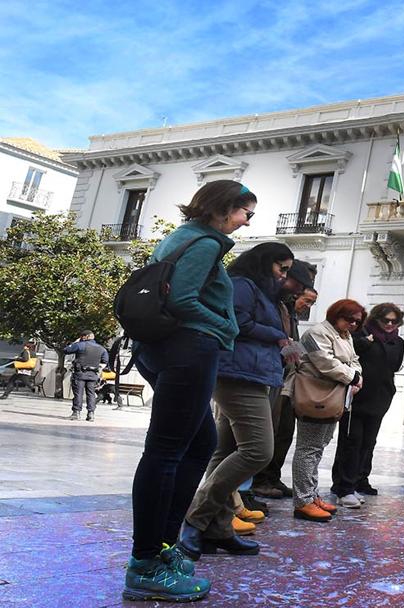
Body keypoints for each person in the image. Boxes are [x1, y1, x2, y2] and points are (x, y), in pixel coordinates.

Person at [124, 179, 253, 602]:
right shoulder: (205, 242)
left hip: (163, 348)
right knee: (165, 452)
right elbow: (182, 299)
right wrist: (225, 326)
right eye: (244, 211)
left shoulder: (182, 237)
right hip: (188, 348)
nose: (247, 219)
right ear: (223, 208)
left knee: (201, 444)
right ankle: (145, 562)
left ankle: (163, 547)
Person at [177, 242, 296, 562]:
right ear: (263, 262)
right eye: (280, 268)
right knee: (259, 450)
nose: (283, 276)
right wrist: (278, 336)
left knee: (224, 452)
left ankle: (218, 528)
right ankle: (195, 516)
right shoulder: (243, 286)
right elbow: (237, 323)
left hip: (250, 373)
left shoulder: (258, 289)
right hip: (239, 375)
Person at [287, 299, 364, 519]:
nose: (353, 324)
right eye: (349, 319)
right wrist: (353, 376)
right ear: (336, 314)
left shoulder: (344, 335)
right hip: (314, 395)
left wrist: (356, 376)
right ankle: (302, 501)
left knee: (318, 447)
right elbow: (325, 362)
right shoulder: (316, 333)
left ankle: (311, 496)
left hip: (332, 397)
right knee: (308, 449)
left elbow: (354, 360)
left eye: (357, 321)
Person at [252, 262, 317, 500]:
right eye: (305, 297)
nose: (306, 303)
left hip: (289, 380)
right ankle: (257, 482)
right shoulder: (277, 307)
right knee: (267, 431)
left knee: (285, 432)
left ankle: (271, 476)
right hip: (272, 378)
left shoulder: (290, 314)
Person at [331, 302, 404, 500]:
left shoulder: (398, 342)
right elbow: (348, 356)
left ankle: (361, 478)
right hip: (357, 396)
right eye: (386, 320)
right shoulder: (359, 334)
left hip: (380, 398)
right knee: (351, 440)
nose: (390, 324)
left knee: (369, 442)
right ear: (376, 319)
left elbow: (395, 366)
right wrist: (365, 344)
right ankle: (343, 483)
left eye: (394, 321)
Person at [64, 331, 109, 421]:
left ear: (85, 337)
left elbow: (66, 350)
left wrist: (75, 343)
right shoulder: (101, 348)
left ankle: (76, 413)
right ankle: (91, 414)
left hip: (80, 373)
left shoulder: (80, 345)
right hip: (93, 375)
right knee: (91, 394)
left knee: (78, 394)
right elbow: (105, 361)